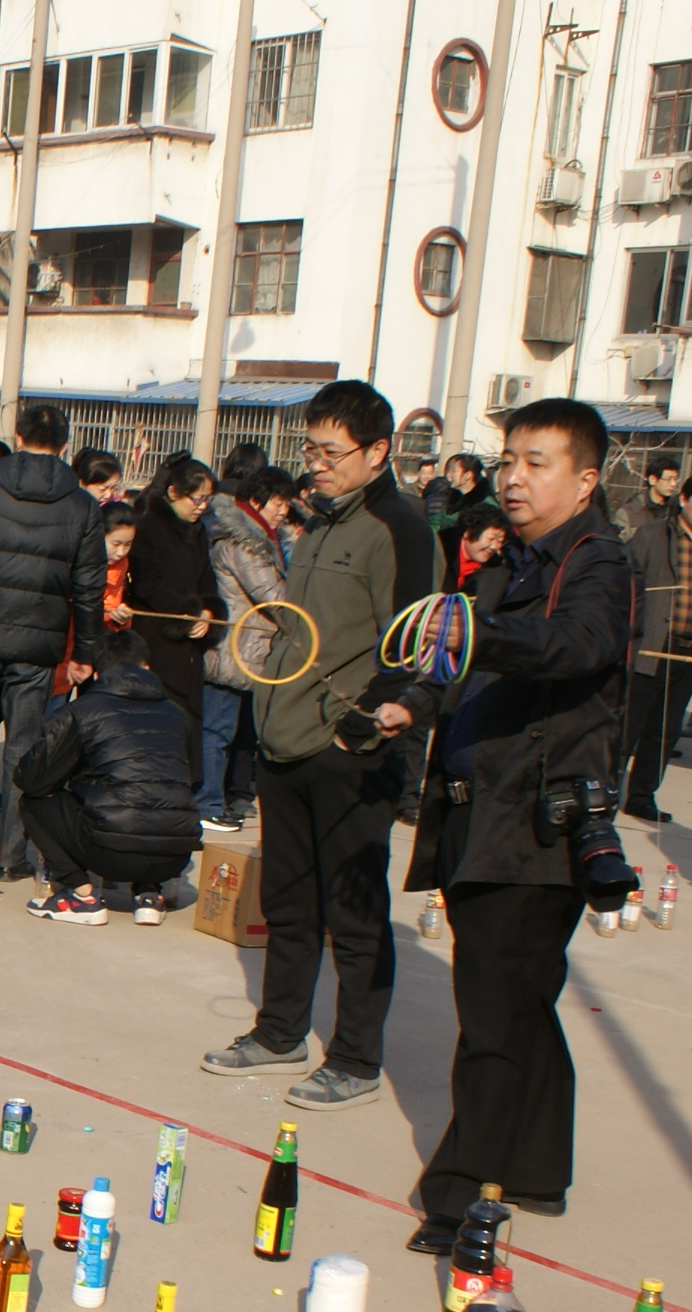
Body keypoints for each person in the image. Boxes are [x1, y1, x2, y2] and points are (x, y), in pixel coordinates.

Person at [393, 397, 633, 1247]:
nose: (516, 478)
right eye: (509, 461)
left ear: (585, 479)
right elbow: (451, 663)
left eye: (538, 463)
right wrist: (404, 706)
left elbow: (577, 646)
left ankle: (461, 1198)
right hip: (478, 814)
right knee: (521, 1001)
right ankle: (537, 1167)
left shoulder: (597, 565)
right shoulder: (507, 563)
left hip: (535, 825)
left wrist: (481, 631)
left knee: (493, 1018)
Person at [201, 379, 439, 1112]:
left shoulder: (398, 529)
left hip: (347, 750)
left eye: (332, 452)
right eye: (311, 449)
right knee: (288, 901)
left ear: (378, 451)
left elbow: (413, 644)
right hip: (284, 739)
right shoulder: (319, 523)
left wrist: (364, 721)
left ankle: (357, 1059)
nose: (317, 464)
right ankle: (280, 1032)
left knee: (354, 912)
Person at [0, 400, 105, 879]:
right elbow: (89, 588)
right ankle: (12, 858)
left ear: (17, 438)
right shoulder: (83, 506)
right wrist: (85, 651)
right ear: (65, 445)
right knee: (21, 748)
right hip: (38, 646)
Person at [11, 627, 201, 925]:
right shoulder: (178, 714)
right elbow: (194, 780)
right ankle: (149, 893)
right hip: (175, 855)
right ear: (147, 667)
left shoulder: (82, 711)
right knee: (158, 800)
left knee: (34, 802)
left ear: (98, 674)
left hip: (111, 853)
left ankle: (83, 895)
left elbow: (31, 778)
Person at [618, 470, 692, 820]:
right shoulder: (652, 536)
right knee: (628, 727)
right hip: (652, 646)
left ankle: (642, 797)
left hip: (691, 649)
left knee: (664, 731)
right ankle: (603, 794)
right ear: (683, 499)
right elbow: (625, 588)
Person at [202, 466, 294, 833]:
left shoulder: (264, 537)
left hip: (249, 650)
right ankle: (208, 802)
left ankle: (223, 796)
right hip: (233, 649)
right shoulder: (243, 542)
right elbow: (274, 597)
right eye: (278, 503)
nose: (283, 512)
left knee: (235, 732)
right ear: (256, 501)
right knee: (217, 731)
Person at [121, 454, 220, 728]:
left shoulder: (198, 531)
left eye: (207, 499)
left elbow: (207, 578)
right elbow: (148, 584)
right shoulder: (148, 526)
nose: (202, 506)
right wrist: (184, 612)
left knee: (186, 722)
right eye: (196, 499)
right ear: (174, 492)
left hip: (190, 644)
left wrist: (207, 613)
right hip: (156, 636)